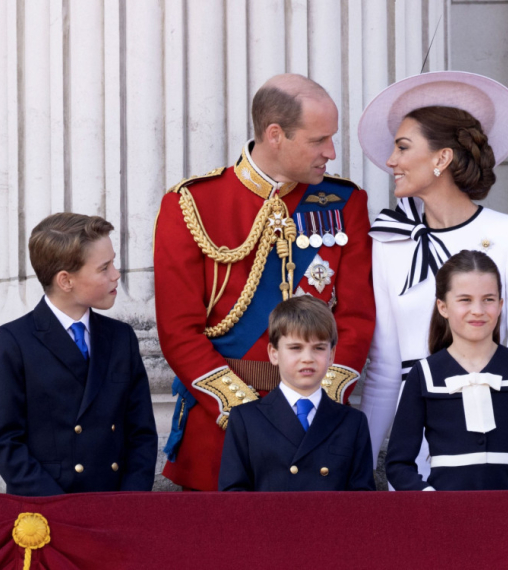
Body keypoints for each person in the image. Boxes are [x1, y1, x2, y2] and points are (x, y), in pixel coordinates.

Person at [154, 73, 375, 491]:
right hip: (222, 432)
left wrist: (315, 403)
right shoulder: (192, 204)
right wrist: (246, 416)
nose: (331, 152)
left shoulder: (346, 203)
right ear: (276, 135)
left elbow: (358, 319)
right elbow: (178, 332)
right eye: (318, 140)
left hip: (317, 430)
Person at [357, 71, 508, 474]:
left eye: (403, 148)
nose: (391, 161)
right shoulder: (388, 242)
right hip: (415, 453)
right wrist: (360, 467)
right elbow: (386, 370)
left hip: (495, 442)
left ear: (442, 158)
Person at [0, 213, 158, 496]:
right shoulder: (12, 342)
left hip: (115, 506)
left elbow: (141, 433)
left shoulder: (121, 338)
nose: (116, 274)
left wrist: (131, 502)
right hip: (47, 510)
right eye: (104, 268)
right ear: (65, 281)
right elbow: (5, 442)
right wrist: (58, 508)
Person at [386, 250, 508, 490]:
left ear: (500, 305)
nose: (478, 310)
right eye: (465, 299)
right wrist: (429, 500)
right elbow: (398, 463)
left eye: (488, 299)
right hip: (444, 517)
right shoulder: (423, 374)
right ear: (443, 307)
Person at [218, 296, 375, 491]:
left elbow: (362, 501)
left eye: (318, 348)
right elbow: (234, 496)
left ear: (332, 355)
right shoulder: (246, 419)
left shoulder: (352, 422)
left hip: (332, 521)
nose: (307, 358)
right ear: (273, 353)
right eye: (295, 348)